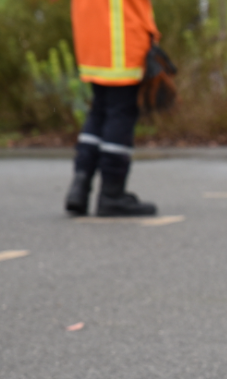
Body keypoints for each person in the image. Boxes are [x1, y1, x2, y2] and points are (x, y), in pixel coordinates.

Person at [65, 0, 160, 217]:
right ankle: (112, 194)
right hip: (121, 40)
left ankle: (80, 186)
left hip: (92, 42)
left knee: (99, 110)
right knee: (121, 112)